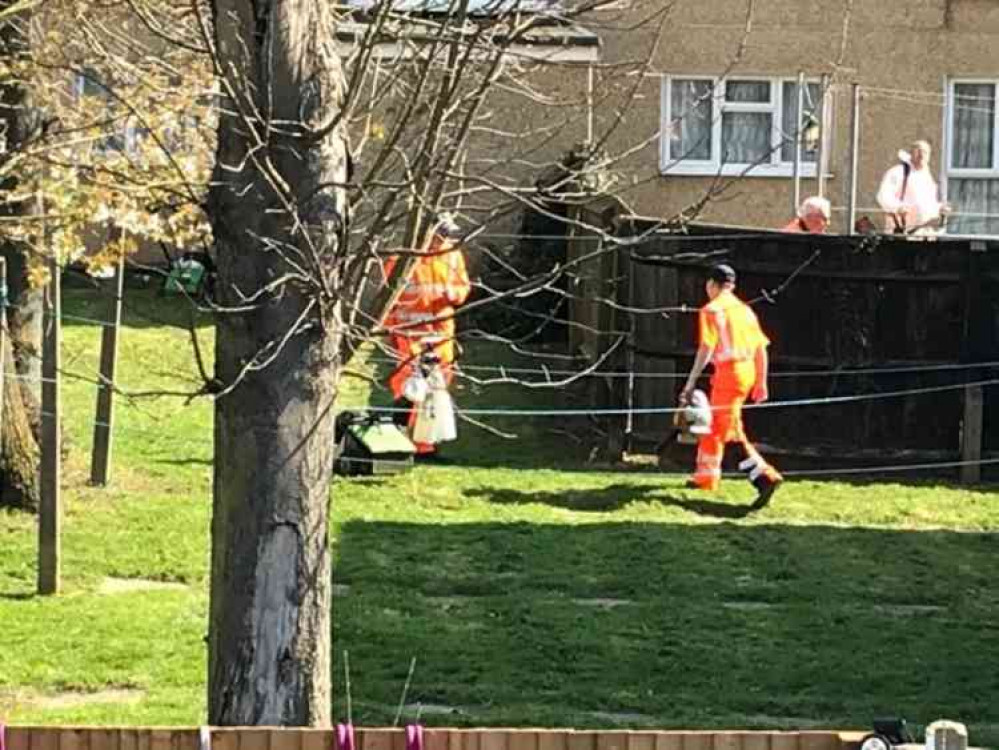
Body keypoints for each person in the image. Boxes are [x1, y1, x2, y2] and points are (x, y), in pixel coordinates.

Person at [679, 264, 783, 509]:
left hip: (728, 374)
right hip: (746, 372)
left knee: (729, 430)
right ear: (732, 286)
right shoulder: (745, 310)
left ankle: (764, 477)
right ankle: (705, 477)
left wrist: (691, 380)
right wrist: (761, 381)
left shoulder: (711, 310)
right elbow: (760, 349)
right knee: (714, 425)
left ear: (711, 285)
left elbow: (707, 348)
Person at [383, 214, 471, 456]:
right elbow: (388, 299)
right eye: (440, 233)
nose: (444, 239)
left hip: (441, 332)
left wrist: (450, 293)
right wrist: (391, 331)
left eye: (447, 234)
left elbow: (462, 288)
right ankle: (399, 441)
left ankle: (425, 445)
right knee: (408, 386)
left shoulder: (452, 255)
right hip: (410, 333)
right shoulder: (402, 258)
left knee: (438, 385)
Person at [876, 140, 951, 235]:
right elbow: (883, 196)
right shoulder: (898, 172)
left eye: (925, 152)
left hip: (925, 233)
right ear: (911, 153)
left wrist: (940, 209)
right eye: (918, 151)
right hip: (902, 234)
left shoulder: (927, 177)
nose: (921, 155)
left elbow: (927, 205)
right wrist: (898, 207)